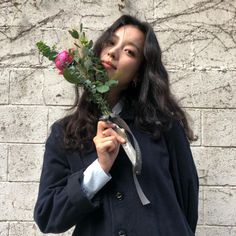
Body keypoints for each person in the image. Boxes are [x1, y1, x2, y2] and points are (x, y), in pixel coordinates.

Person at [34, 15, 199, 236]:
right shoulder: (65, 133)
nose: (113, 52)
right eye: (111, 43)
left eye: (130, 51)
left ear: (138, 74)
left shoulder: (164, 126)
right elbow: (48, 215)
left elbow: (187, 200)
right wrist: (98, 170)